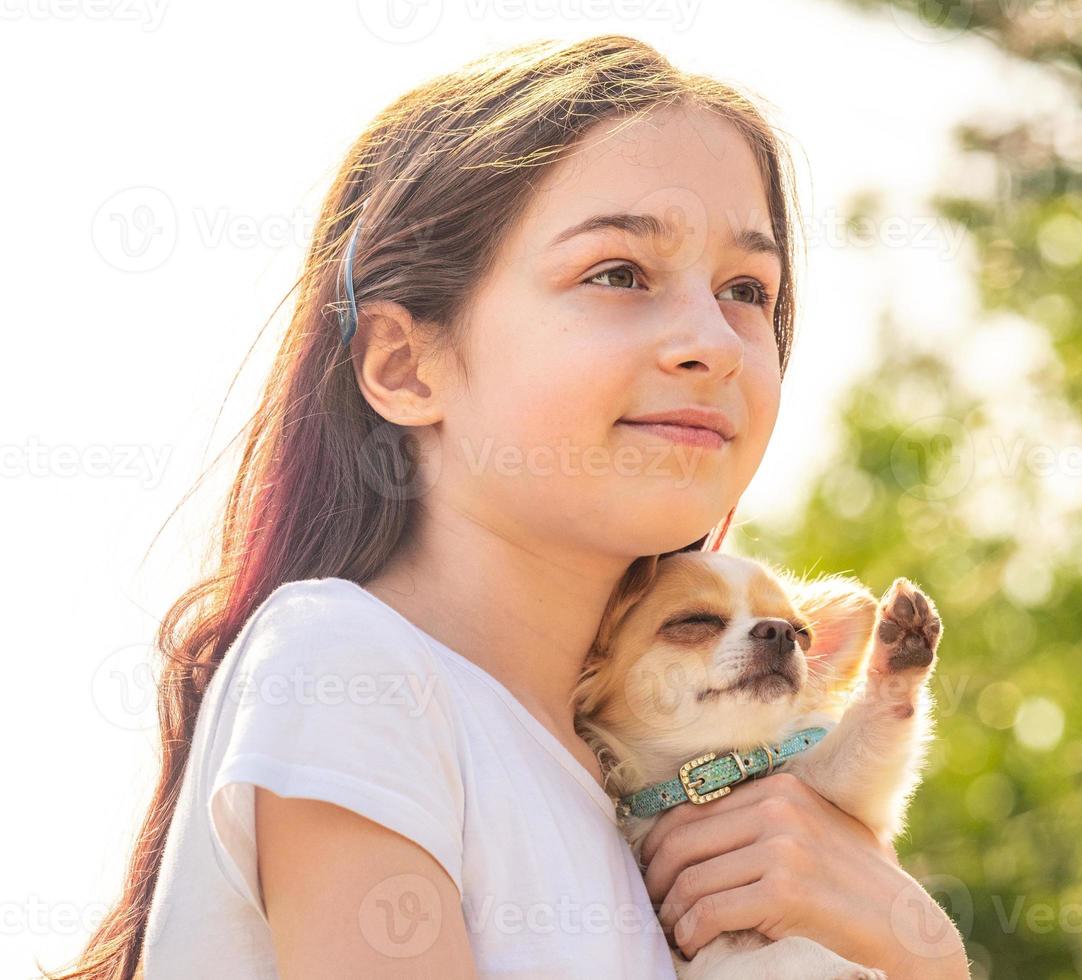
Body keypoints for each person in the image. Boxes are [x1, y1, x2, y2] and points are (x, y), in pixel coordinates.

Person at [44, 33, 971, 980]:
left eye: (746, 290)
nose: (714, 342)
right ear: (406, 365)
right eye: (618, 273)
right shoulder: (351, 670)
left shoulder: (643, 797)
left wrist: (918, 942)